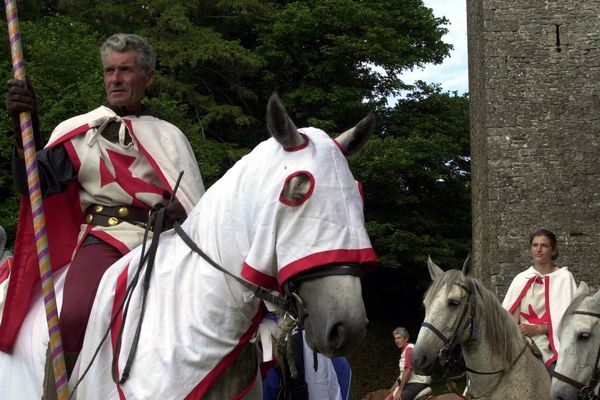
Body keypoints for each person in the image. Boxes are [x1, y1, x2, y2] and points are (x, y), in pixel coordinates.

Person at [3, 33, 204, 395]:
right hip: (106, 241)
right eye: (110, 71)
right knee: (75, 314)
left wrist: (179, 211)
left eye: (125, 70)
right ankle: (59, 394)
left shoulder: (170, 137)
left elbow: (197, 208)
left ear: (148, 77)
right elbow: (34, 185)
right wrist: (26, 128)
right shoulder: (80, 132)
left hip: (167, 243)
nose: (115, 79)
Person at [502, 229, 577, 372]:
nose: (538, 249)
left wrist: (538, 328)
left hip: (553, 343)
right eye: (535, 245)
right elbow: (511, 315)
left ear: (553, 251)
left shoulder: (564, 279)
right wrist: (517, 331)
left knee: (557, 377)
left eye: (544, 245)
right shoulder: (521, 279)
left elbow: (570, 321)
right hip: (523, 340)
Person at [386, 327, 431, 400]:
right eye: (395, 338)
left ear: (406, 338)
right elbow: (402, 375)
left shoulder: (409, 349)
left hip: (417, 384)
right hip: (410, 384)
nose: (397, 341)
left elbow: (408, 370)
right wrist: (391, 389)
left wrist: (400, 391)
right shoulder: (405, 351)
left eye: (399, 338)